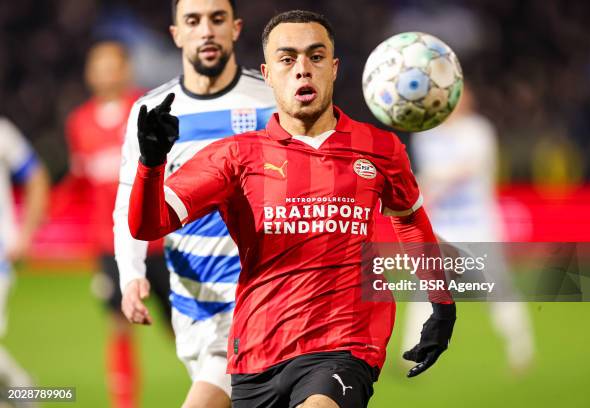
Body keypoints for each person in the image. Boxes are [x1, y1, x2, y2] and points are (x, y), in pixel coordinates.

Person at [127, 10, 457, 408]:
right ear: (267, 74)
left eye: (315, 57)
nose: (303, 69)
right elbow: (149, 224)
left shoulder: (380, 148)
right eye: (288, 59)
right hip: (256, 352)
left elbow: (409, 220)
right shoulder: (236, 156)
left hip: (344, 346)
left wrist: (441, 304)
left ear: (333, 69)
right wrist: (152, 165)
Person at [113, 0, 275, 407]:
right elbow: (128, 201)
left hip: (256, 301)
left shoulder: (272, 99)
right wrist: (130, 274)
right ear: (177, 34)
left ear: (235, 28)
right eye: (194, 21)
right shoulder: (151, 112)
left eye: (217, 19)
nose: (207, 30)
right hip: (189, 305)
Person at [64, 41, 171, 408]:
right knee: (119, 323)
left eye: (113, 65)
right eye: (99, 65)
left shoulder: (146, 109)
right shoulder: (78, 123)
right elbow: (81, 181)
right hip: (109, 245)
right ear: (89, 73)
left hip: (160, 242)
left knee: (184, 328)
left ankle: (215, 390)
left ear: (126, 69)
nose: (106, 72)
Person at [404, 86, 534, 373]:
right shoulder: (425, 135)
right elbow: (428, 185)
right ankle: (413, 351)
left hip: (478, 227)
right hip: (443, 229)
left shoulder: (478, 131)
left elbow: (466, 170)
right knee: (425, 290)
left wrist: (428, 180)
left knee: (498, 290)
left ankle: (521, 349)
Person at [0, 117, 50, 393]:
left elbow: (36, 176)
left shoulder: (2, 132)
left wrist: (26, 234)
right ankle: (18, 390)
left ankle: (20, 389)